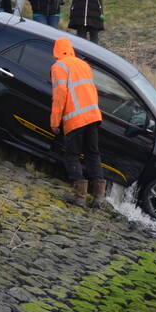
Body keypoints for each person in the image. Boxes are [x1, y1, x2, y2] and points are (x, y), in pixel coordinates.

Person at [50, 37, 105, 207]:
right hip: (93, 116)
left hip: (75, 118)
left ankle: (80, 196)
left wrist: (55, 122)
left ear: (56, 51)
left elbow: (60, 95)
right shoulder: (83, 65)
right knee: (92, 154)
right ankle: (99, 196)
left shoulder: (58, 66)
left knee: (72, 155)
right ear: (71, 49)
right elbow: (92, 91)